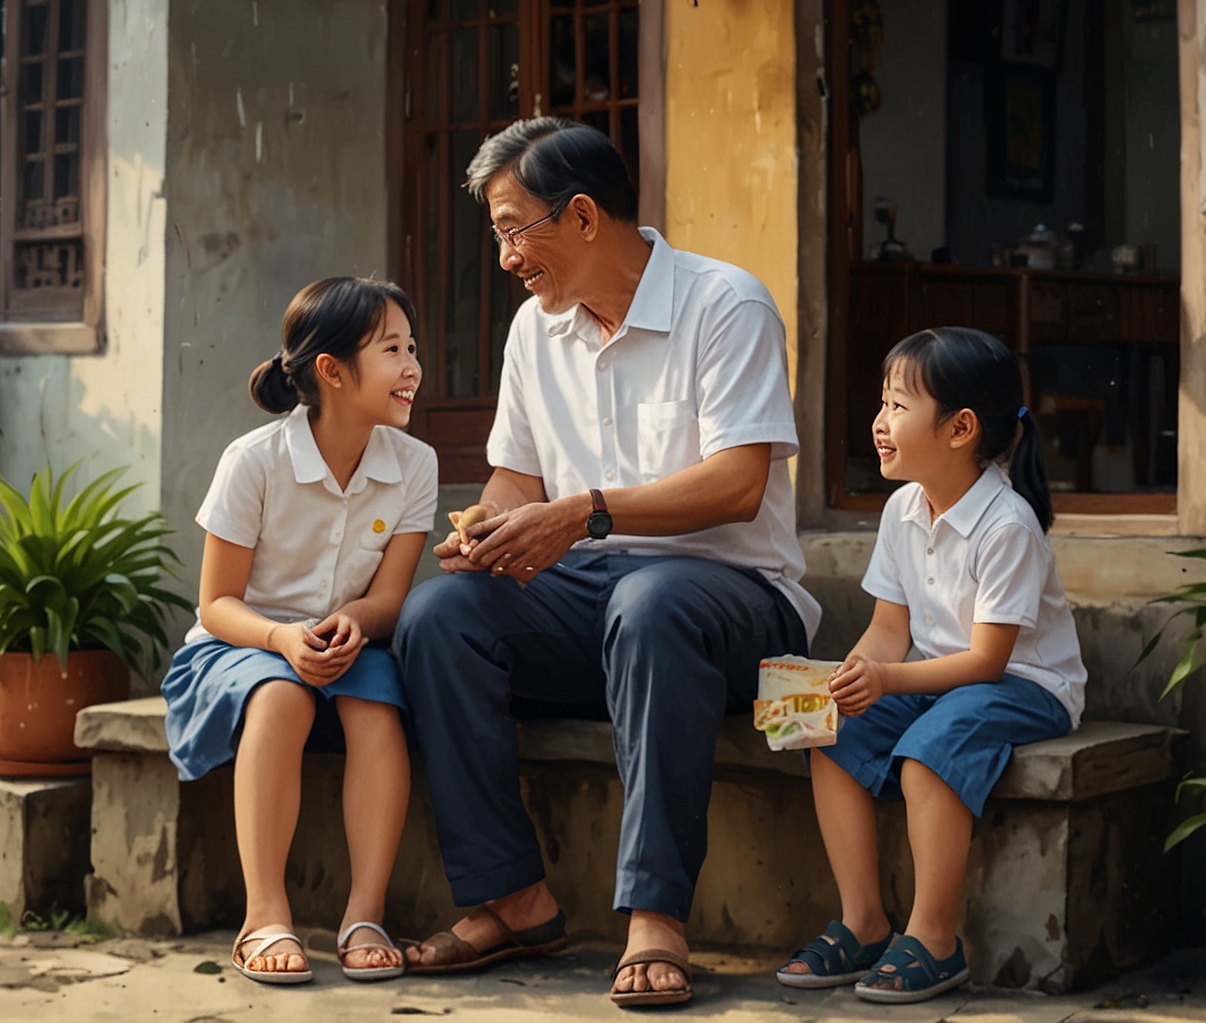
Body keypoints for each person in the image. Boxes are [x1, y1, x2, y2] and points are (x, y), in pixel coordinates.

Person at [394, 118, 818, 1008]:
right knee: (440, 616)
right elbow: (516, 479)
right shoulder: (532, 331)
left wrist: (582, 513)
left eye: (515, 228)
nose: (506, 255)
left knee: (654, 602)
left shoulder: (725, 303)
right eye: (499, 233)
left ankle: (656, 915)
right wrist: (489, 529)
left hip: (733, 599)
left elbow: (740, 484)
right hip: (595, 597)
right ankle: (513, 899)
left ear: (583, 215)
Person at [777, 327, 1085, 1003]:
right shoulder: (902, 509)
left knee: (930, 750)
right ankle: (862, 922)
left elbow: (986, 660)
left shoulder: (1007, 525)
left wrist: (886, 680)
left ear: (960, 428)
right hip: (940, 678)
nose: (878, 423)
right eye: (882, 405)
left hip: (1025, 685)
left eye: (896, 406)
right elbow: (890, 631)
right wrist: (838, 683)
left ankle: (935, 939)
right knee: (831, 728)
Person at [160, 278, 436, 986]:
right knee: (281, 696)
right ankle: (265, 916)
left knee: (378, 709)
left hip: (350, 645)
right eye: (393, 351)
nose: (413, 368)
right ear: (332, 371)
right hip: (240, 646)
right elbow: (217, 603)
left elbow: (392, 600)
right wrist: (283, 641)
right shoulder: (253, 461)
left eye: (413, 349)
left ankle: (365, 914)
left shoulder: (415, 465)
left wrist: (354, 621)